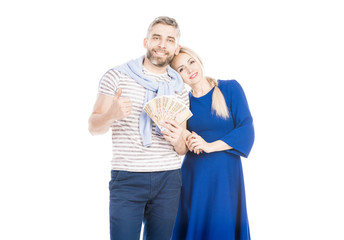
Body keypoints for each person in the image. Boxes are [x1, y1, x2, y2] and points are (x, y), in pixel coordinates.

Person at [88, 16, 189, 240]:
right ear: (146, 42)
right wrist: (112, 114)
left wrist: (177, 139)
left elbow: (181, 149)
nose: (162, 44)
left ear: (176, 48)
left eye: (169, 40)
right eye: (157, 37)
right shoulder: (116, 76)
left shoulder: (180, 87)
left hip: (169, 179)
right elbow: (93, 127)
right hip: (127, 179)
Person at [170, 47, 255, 240]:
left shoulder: (230, 88)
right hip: (194, 177)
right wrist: (182, 138)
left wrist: (208, 145)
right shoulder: (183, 104)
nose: (190, 69)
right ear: (177, 77)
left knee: (222, 228)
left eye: (191, 62)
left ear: (199, 60)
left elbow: (246, 130)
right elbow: (182, 147)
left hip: (226, 176)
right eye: (181, 69)